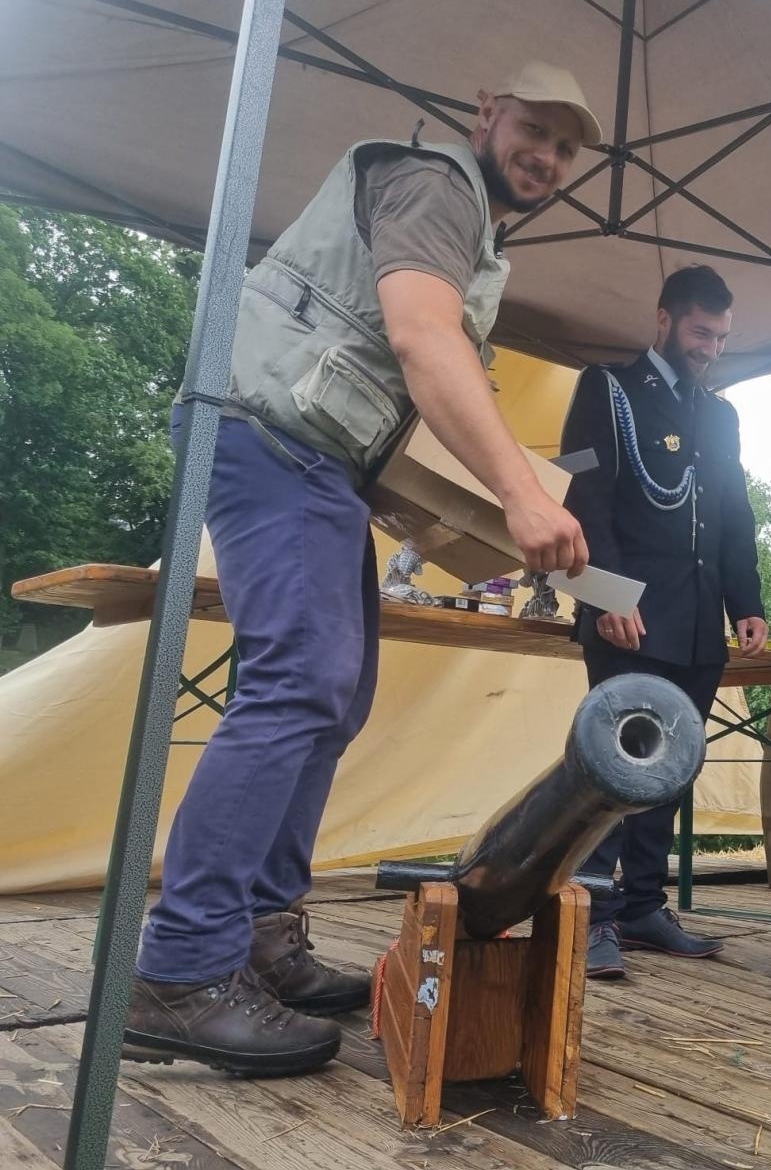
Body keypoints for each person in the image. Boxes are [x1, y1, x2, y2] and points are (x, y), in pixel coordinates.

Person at [126, 62, 603, 1076]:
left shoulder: (469, 227)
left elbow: (395, 380)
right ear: (484, 109)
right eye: (536, 129)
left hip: (320, 462)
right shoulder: (437, 187)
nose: (549, 158)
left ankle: (259, 935)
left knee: (332, 695)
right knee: (299, 682)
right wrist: (521, 496)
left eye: (568, 147)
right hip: (270, 438)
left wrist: (460, 510)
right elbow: (421, 340)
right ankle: (180, 966)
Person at [560, 265, 767, 979]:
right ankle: (585, 912)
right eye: (699, 331)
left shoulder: (722, 414)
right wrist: (603, 596)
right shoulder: (607, 389)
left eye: (720, 336)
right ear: (664, 320)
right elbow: (579, 494)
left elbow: (735, 515)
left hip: (698, 624)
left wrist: (749, 603)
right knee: (610, 768)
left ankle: (643, 905)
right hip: (630, 617)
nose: (709, 347)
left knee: (669, 773)